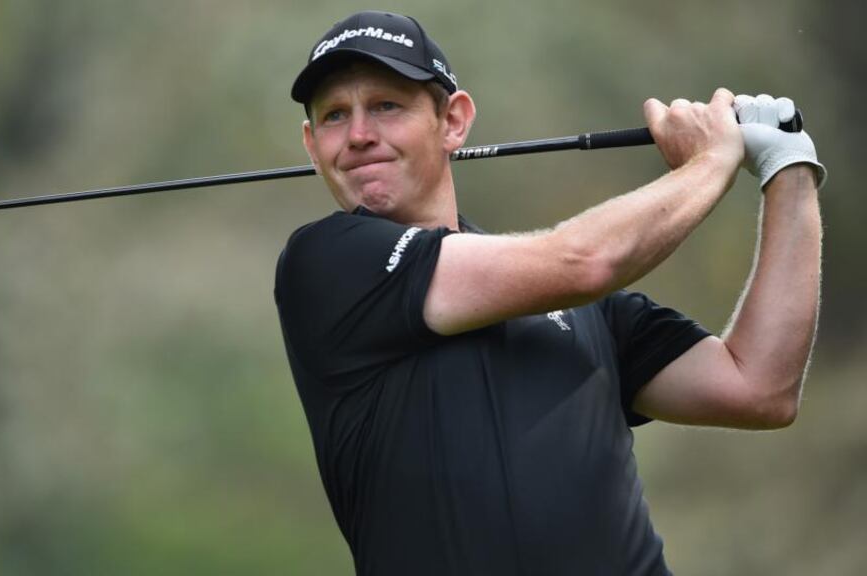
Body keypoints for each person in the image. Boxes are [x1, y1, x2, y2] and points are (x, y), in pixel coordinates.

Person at [274, 10, 825, 575]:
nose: (360, 134)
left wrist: (790, 168)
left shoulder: (586, 308)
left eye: (387, 106)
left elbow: (759, 387)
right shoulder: (326, 262)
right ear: (313, 145)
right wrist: (713, 160)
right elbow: (585, 261)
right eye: (335, 116)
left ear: (453, 121)